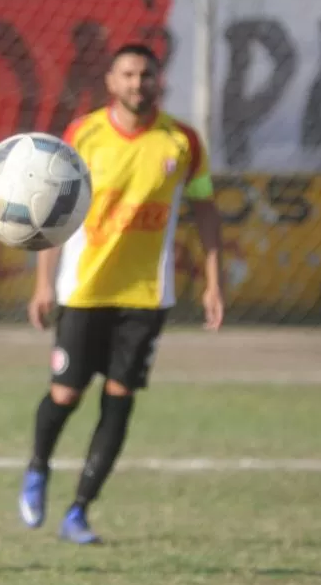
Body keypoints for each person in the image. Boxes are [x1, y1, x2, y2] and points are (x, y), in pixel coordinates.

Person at [19, 42, 224, 544]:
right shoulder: (83, 134)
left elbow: (205, 209)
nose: (138, 84)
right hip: (83, 289)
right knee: (66, 393)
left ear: (160, 81)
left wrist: (214, 281)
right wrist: (43, 282)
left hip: (146, 295)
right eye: (128, 75)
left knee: (120, 398)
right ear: (111, 82)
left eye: (146, 75)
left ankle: (79, 512)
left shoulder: (182, 142)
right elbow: (55, 210)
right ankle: (38, 468)